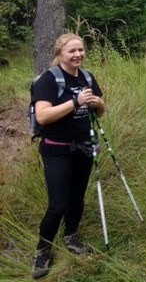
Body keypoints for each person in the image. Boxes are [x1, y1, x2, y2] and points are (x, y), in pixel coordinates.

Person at [30, 33, 106, 280]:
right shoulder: (49, 80)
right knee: (57, 205)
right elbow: (42, 116)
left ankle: (71, 237)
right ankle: (42, 251)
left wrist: (96, 103)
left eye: (81, 50)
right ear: (60, 54)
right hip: (56, 150)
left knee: (77, 199)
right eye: (72, 51)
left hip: (83, 147)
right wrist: (75, 101)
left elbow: (101, 110)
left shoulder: (86, 76)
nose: (78, 55)